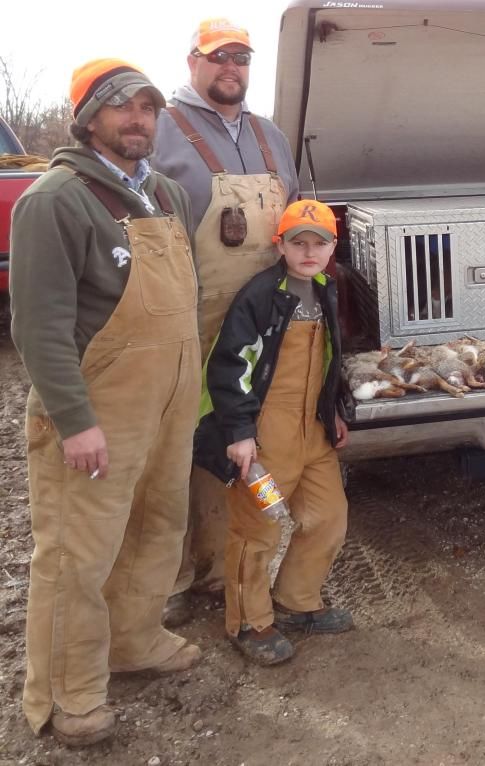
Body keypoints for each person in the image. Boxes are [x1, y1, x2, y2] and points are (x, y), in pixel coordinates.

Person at [9, 59, 201, 746]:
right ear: (89, 118)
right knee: (78, 555)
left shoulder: (166, 196)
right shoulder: (54, 200)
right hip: (100, 410)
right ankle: (70, 694)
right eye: (122, 108)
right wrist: (73, 419)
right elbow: (37, 327)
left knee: (157, 527)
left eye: (148, 108)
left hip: (171, 402)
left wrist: (193, 395)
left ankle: (135, 640)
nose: (138, 120)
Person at [151, 17, 300, 627]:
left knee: (241, 440)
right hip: (191, 318)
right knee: (177, 449)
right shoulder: (157, 128)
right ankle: (170, 581)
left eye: (240, 57)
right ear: (192, 63)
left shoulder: (271, 136)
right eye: (218, 57)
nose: (230, 68)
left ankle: (222, 570)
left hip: (262, 320)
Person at [194, 199, 354, 665]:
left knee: (327, 517)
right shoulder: (260, 295)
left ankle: (297, 603)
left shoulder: (326, 290)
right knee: (258, 527)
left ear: (331, 249)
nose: (308, 252)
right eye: (298, 242)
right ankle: (249, 622)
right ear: (279, 244)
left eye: (318, 243)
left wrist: (335, 410)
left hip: (313, 431)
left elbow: (330, 361)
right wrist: (240, 433)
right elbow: (230, 367)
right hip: (267, 435)